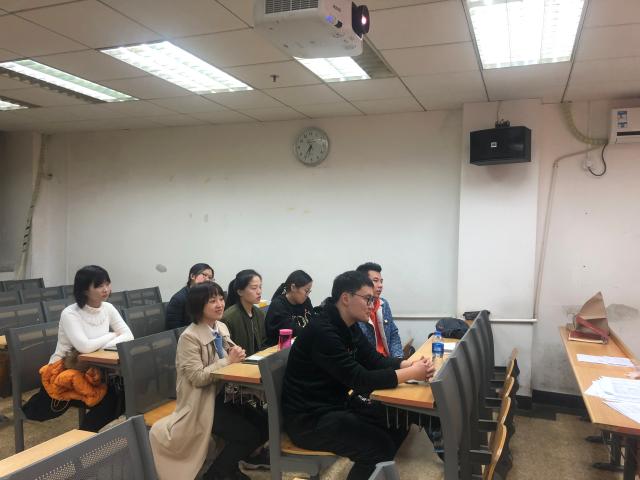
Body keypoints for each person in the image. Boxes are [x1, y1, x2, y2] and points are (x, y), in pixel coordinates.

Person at [282, 271, 435, 480]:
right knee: (378, 447)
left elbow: (373, 360)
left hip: (336, 404)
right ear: (346, 298)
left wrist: (407, 364)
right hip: (310, 419)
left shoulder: (348, 324)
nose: (372, 305)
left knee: (397, 421)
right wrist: (411, 373)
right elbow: (360, 380)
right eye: (368, 299)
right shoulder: (323, 331)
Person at [150, 282, 269, 480]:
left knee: (264, 424)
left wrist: (236, 353)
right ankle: (216, 475)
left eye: (221, 299)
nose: (220, 304)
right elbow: (197, 378)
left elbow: (228, 355)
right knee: (247, 435)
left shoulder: (220, 327)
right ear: (198, 306)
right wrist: (228, 360)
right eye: (212, 301)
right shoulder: (189, 337)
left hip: (224, 396)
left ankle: (229, 468)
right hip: (201, 403)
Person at [23, 265, 134, 432]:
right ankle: (85, 436)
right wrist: (111, 335)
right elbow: (84, 346)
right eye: (99, 286)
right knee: (112, 398)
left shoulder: (108, 308)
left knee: (121, 393)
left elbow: (128, 335)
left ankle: (86, 434)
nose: (106, 289)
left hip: (93, 369)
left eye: (107, 284)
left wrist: (99, 344)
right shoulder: (70, 313)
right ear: (84, 290)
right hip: (63, 370)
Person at [355, 262, 403, 358]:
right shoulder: (356, 308)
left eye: (381, 281)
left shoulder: (383, 304)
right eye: (375, 281)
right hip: (371, 362)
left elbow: (393, 334)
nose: (380, 285)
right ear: (362, 283)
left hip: (388, 359)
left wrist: (398, 358)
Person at [222, 269, 266, 356]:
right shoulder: (228, 317)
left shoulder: (260, 313)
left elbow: (264, 341)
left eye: (260, 287)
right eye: (254, 288)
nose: (259, 292)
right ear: (240, 292)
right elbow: (227, 350)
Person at [264, 270, 313, 347]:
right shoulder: (278, 305)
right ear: (293, 287)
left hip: (301, 344)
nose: (307, 295)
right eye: (306, 291)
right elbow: (290, 330)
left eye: (309, 292)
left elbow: (313, 321)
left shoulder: (306, 301)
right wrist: (313, 332)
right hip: (279, 349)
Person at [165, 263, 214, 330]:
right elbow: (174, 330)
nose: (207, 280)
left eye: (210, 278)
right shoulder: (178, 299)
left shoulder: (208, 297)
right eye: (204, 275)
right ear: (192, 276)